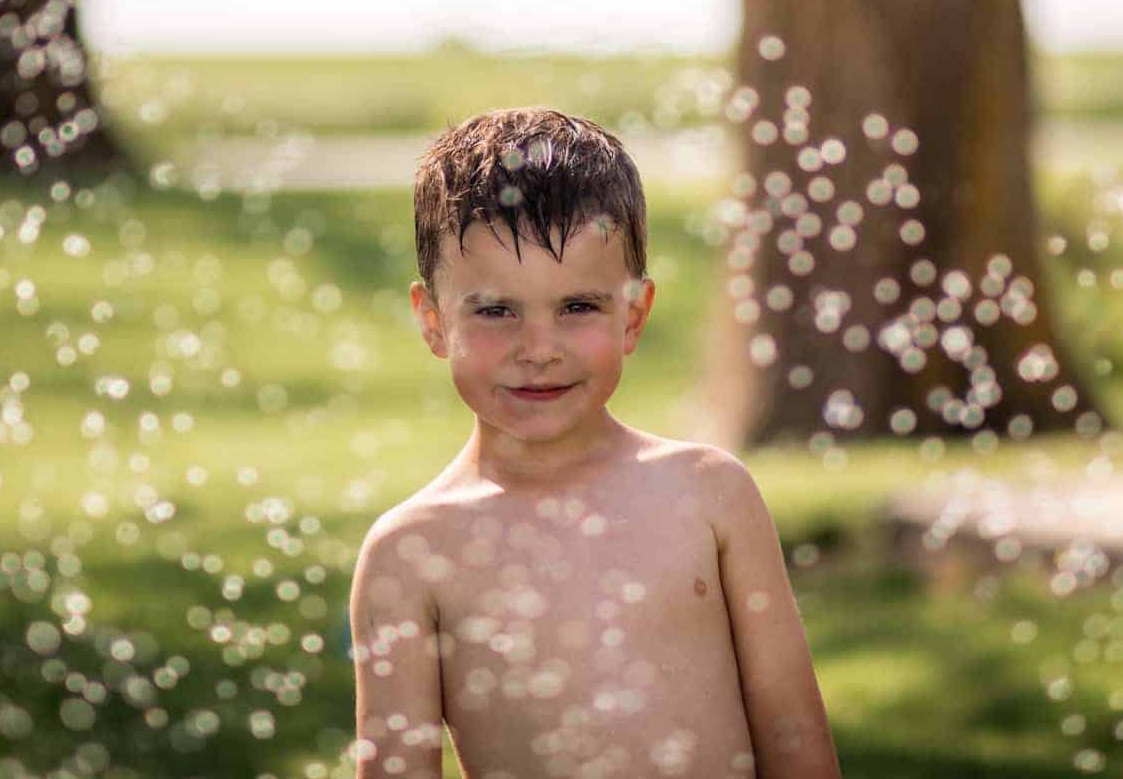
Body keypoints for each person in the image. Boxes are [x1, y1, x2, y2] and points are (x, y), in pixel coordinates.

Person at [349, 107, 841, 779]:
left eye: (578, 307)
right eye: (496, 311)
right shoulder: (414, 551)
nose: (539, 350)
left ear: (633, 315)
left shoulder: (708, 495)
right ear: (433, 322)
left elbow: (791, 729)